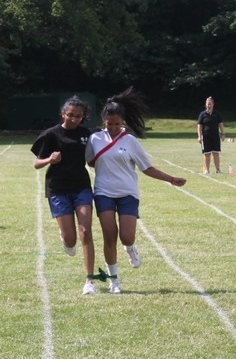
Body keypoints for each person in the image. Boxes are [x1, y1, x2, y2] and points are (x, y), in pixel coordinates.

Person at [86, 89, 186, 294]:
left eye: (117, 124)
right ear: (104, 120)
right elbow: (89, 162)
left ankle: (130, 248)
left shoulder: (130, 141)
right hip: (104, 192)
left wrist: (170, 179)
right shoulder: (94, 139)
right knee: (109, 236)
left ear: (122, 121)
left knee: (126, 236)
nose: (113, 127)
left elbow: (146, 168)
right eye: (109, 124)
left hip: (128, 194)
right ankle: (114, 280)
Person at [31, 95, 101, 295]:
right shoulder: (50, 135)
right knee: (71, 241)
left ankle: (89, 281)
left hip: (81, 187)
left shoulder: (86, 134)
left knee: (86, 232)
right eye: (70, 115)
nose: (74, 119)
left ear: (83, 117)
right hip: (58, 189)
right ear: (63, 114)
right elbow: (36, 164)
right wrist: (49, 160)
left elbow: (91, 159)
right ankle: (65, 237)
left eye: (78, 116)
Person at [197, 96, 225, 174]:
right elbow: (199, 126)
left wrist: (223, 134)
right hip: (205, 137)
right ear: (206, 104)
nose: (209, 105)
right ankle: (207, 170)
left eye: (210, 104)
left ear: (213, 104)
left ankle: (218, 169)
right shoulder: (202, 114)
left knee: (216, 153)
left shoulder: (217, 114)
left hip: (215, 136)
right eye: (207, 104)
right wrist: (199, 136)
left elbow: (221, 124)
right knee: (207, 154)